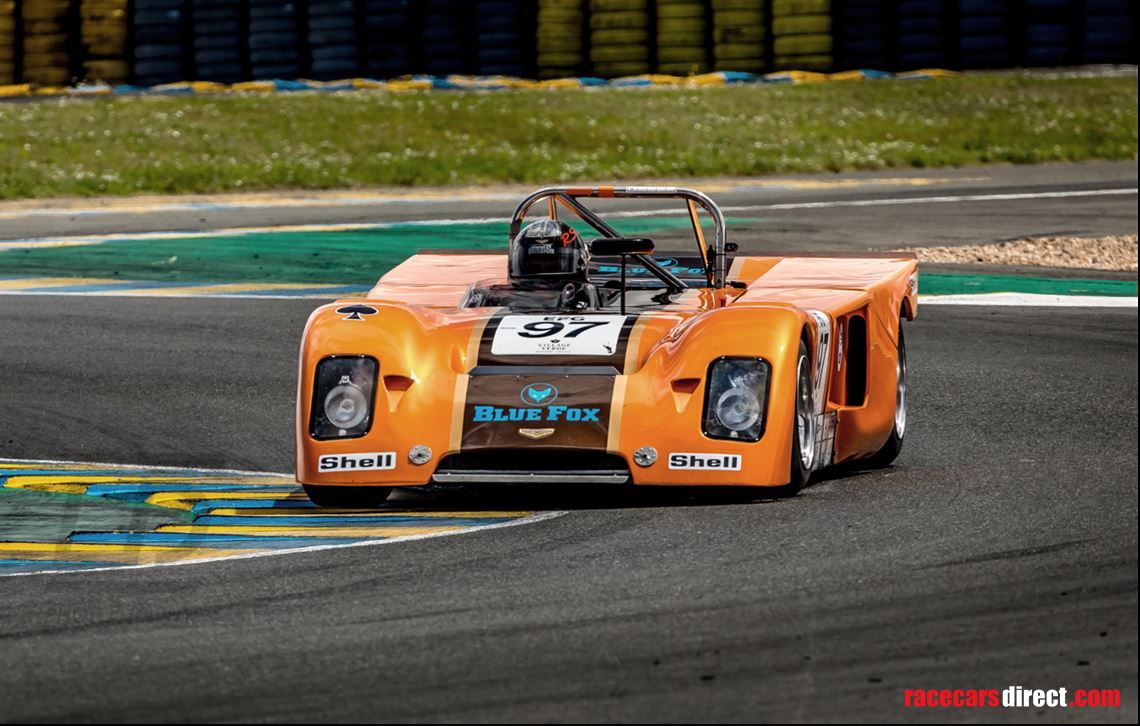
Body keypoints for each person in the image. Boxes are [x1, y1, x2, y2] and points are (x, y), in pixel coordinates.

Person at [462, 219, 602, 310]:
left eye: (552, 266)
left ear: (579, 262)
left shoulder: (586, 293)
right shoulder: (490, 296)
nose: (542, 277)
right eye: (533, 267)